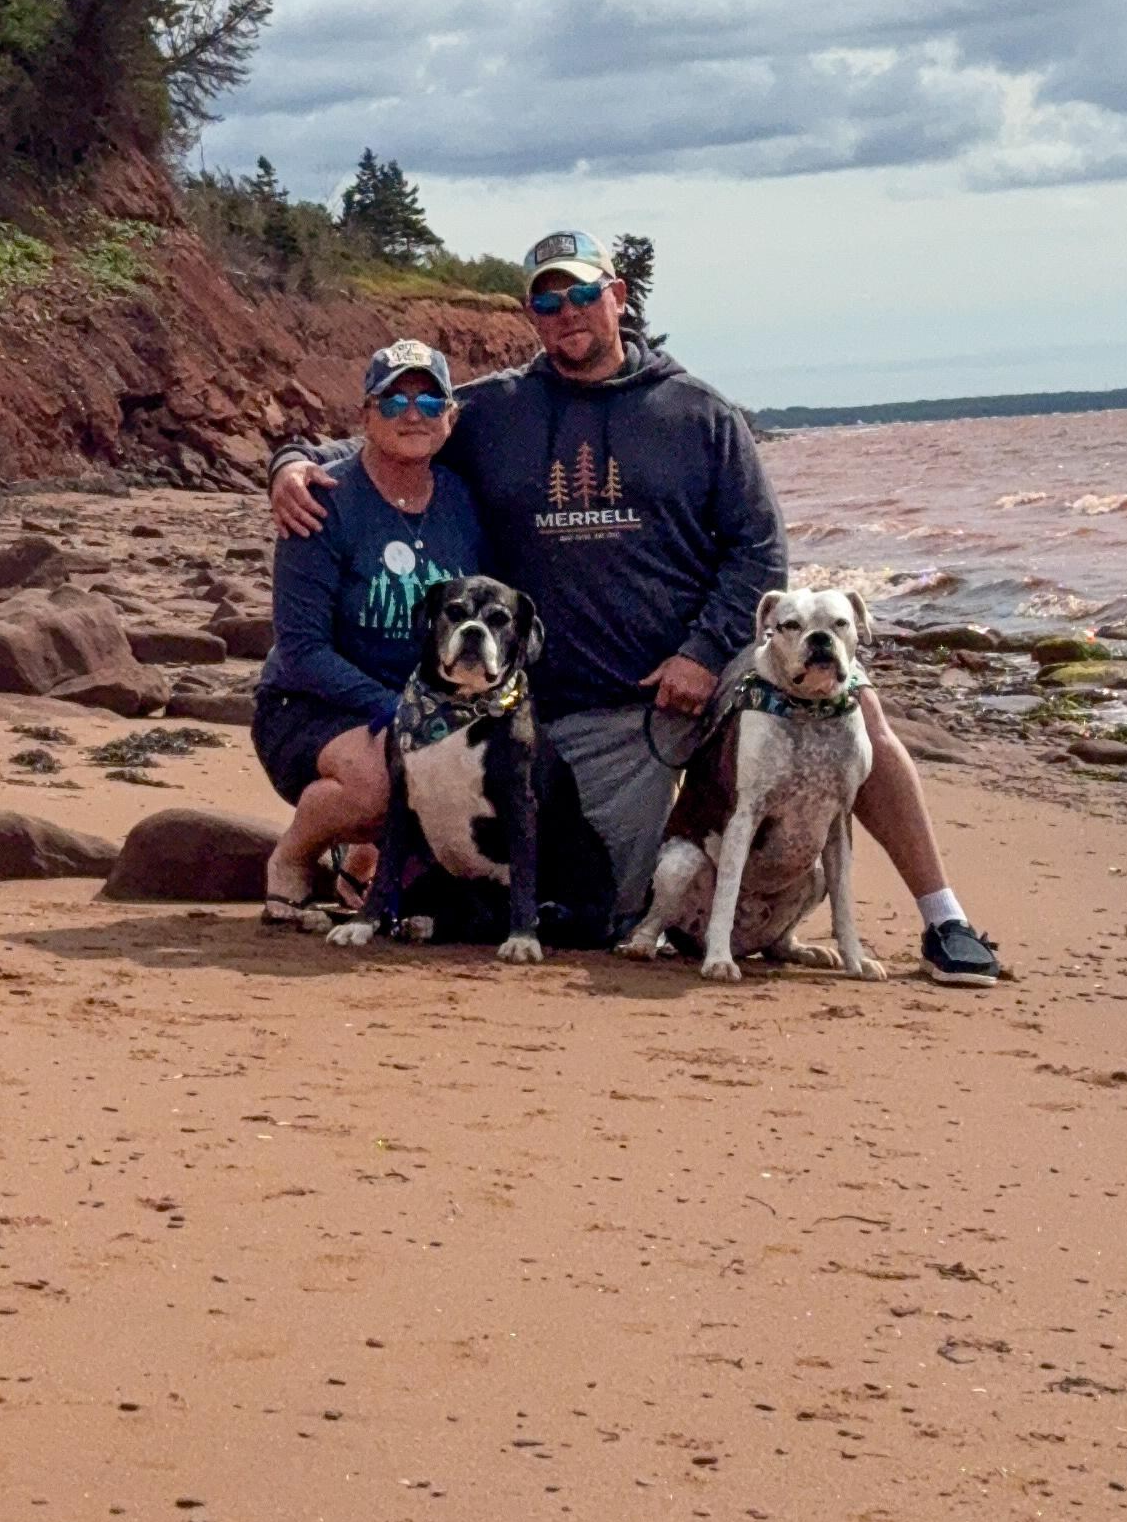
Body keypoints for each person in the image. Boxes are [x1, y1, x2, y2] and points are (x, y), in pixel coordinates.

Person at [272, 229, 1000, 984]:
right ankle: (384, 865)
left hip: (705, 669)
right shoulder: (497, 411)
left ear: (618, 296)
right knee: (602, 917)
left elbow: (758, 551)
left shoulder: (699, 413)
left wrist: (703, 651)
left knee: (856, 709)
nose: (567, 312)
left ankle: (944, 920)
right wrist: (291, 463)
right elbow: (393, 435)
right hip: (595, 711)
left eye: (583, 293)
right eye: (546, 301)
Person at [254, 336, 486, 931]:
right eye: (394, 400)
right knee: (382, 779)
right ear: (364, 415)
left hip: (419, 704)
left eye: (431, 402)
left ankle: (365, 864)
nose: (413, 414)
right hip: (312, 706)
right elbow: (303, 651)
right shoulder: (322, 499)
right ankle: (293, 858)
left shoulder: (464, 501)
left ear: (451, 417)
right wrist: (396, 709)